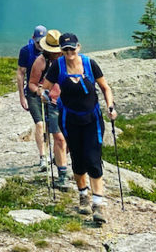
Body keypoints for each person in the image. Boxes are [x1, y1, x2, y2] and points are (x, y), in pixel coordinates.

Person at [40, 32, 117, 224]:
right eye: (65, 49)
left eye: (72, 48)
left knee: (93, 159)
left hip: (92, 120)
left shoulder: (90, 65)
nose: (69, 52)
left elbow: (105, 88)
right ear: (61, 50)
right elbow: (45, 87)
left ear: (78, 47)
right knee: (78, 160)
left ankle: (98, 204)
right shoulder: (58, 66)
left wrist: (110, 107)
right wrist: (45, 95)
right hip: (69, 120)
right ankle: (83, 195)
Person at [27, 28, 69, 189]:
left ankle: (59, 161)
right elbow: (31, 83)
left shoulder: (67, 59)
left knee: (67, 139)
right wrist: (39, 91)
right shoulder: (41, 62)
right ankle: (61, 172)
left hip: (66, 101)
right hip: (49, 101)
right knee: (58, 137)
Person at [16, 24, 49, 167]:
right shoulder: (26, 51)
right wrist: (22, 97)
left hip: (48, 92)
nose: (40, 45)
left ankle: (50, 154)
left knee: (50, 125)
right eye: (38, 42)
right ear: (33, 39)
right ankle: (42, 156)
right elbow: (20, 74)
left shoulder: (51, 52)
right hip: (32, 92)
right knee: (39, 124)